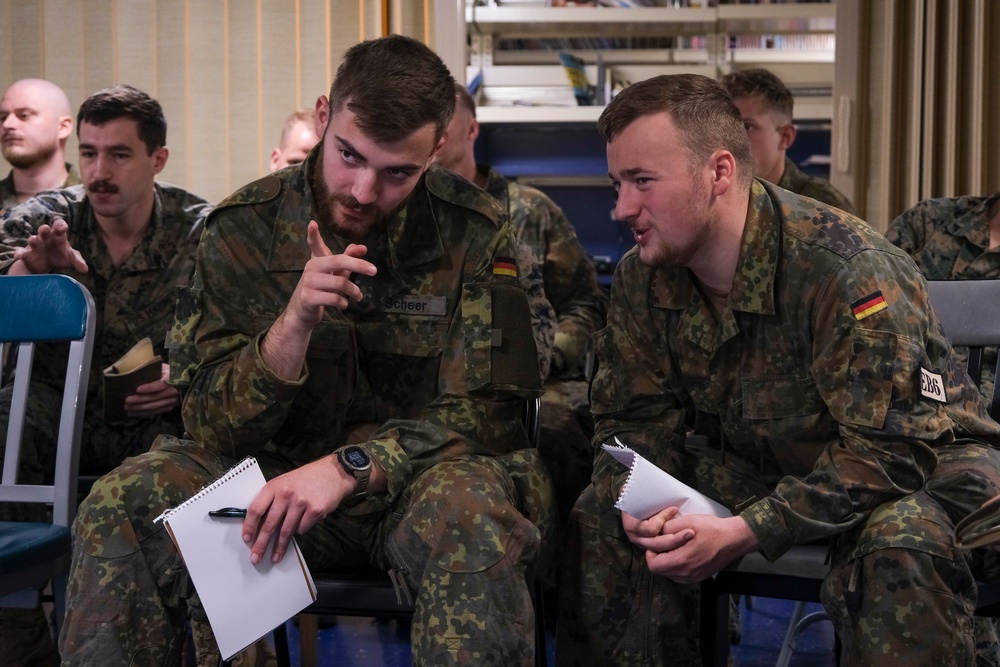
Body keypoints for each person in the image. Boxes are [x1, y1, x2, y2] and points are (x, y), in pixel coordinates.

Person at [59, 35, 556, 666]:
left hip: (412, 490)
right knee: (124, 500)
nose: (364, 190)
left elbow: (490, 415)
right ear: (324, 118)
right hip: (268, 487)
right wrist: (291, 326)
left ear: (436, 151)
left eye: (397, 171)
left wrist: (350, 467)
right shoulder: (241, 229)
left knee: (473, 511)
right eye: (348, 155)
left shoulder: (478, 234)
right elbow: (207, 423)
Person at [555, 73, 1000, 666]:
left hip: (923, 471)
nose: (622, 208)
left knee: (900, 540)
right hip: (777, 463)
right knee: (605, 517)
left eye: (643, 182)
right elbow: (629, 424)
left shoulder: (845, 268)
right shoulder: (647, 273)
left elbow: (891, 453)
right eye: (618, 183)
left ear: (719, 173)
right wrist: (639, 501)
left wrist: (746, 531)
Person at [0, 84, 212, 665]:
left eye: (119, 154)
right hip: (48, 416)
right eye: (90, 153)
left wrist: (184, 375)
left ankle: (164, 637)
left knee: (201, 452)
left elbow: (235, 336)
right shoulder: (45, 219)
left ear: (157, 159)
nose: (98, 171)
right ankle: (16, 627)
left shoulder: (201, 232)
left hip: (154, 422)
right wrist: (31, 272)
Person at [432, 81, 608, 536]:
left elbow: (586, 303)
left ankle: (559, 573)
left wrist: (551, 355)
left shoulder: (530, 211)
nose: (429, 134)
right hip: (438, 386)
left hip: (537, 383)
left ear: (471, 129)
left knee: (551, 429)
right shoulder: (403, 214)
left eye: (440, 122)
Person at [720, 67, 856, 215]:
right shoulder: (709, 199)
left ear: (785, 137)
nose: (728, 139)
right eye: (721, 126)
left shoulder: (823, 210)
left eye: (747, 127)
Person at [0, 78, 80, 215]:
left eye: (24, 115)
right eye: (3, 117)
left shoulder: (96, 206)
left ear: (63, 127)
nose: (7, 124)